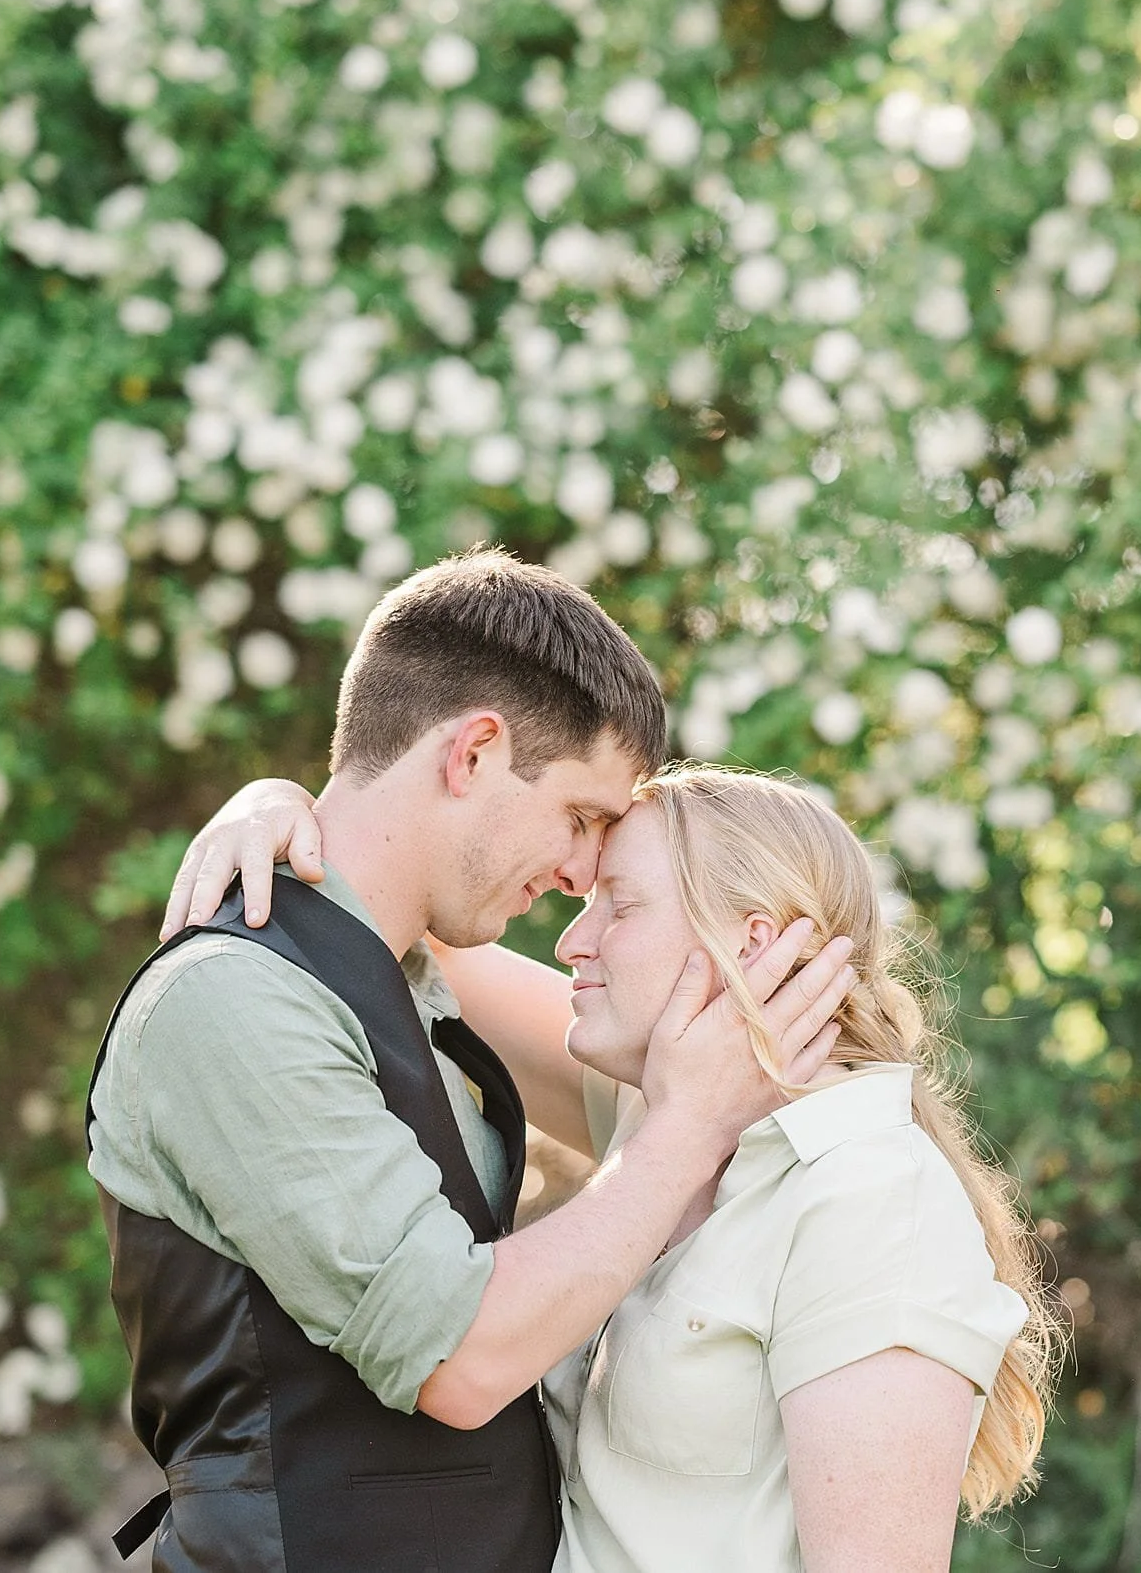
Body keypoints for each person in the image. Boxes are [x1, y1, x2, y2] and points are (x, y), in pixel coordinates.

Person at [92, 548, 857, 1573]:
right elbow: (456, 1353)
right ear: (475, 753)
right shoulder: (232, 997)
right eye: (580, 815)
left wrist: (273, 801)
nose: (584, 865)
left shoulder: (416, 973)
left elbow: (727, 1073)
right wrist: (685, 1127)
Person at [175, 763, 1061, 1573]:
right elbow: (404, 920)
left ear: (751, 943)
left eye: (619, 906)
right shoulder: (669, 1114)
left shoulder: (870, 1199)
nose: (572, 941)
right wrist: (274, 804)